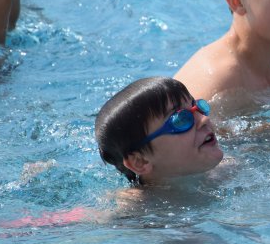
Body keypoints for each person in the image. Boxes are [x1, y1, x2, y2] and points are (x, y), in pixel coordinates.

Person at [95, 77, 224, 186]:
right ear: (140, 162)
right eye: (180, 119)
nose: (204, 119)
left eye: (197, 107)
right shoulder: (135, 206)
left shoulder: (226, 169)